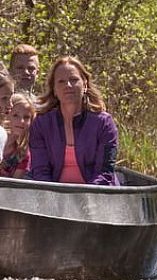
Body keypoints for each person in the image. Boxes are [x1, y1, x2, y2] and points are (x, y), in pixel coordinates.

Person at [29, 56, 119, 185]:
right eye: (61, 81)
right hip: (54, 197)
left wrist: (84, 199)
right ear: (54, 89)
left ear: (85, 85)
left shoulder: (104, 123)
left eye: (74, 80)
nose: (68, 85)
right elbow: (40, 172)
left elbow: (105, 172)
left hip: (97, 196)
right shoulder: (41, 124)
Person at [0, 93, 36, 178]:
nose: (21, 121)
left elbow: (14, 185)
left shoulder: (22, 154)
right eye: (15, 115)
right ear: (6, 115)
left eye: (26, 117)